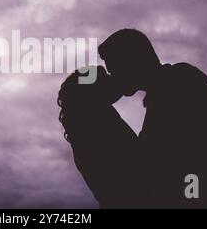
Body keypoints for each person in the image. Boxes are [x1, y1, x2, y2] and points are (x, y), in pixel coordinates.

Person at [98, 28, 207, 208]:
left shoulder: (181, 79)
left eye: (115, 68)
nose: (113, 77)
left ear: (132, 60)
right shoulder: (163, 92)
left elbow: (156, 159)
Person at [57, 66, 143, 208]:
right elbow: (137, 168)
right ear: (92, 92)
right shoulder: (98, 125)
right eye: (105, 78)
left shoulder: (88, 125)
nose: (111, 79)